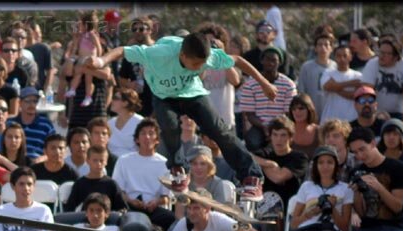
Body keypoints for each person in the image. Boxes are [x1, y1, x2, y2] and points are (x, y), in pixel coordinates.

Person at [85, 32, 278, 199]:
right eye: (194, 64)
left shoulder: (208, 57)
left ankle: (251, 176)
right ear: (182, 55)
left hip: (192, 94)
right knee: (169, 125)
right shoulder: (158, 54)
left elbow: (237, 60)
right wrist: (101, 61)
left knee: (220, 130)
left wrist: (264, 83)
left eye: (202, 64)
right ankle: (178, 169)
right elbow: (122, 50)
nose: (199, 67)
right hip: (164, 97)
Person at [112, 118, 175, 231]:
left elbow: (166, 197)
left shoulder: (164, 163)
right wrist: (131, 201)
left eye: (151, 133)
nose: (147, 137)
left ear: (157, 140)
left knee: (173, 220)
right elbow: (118, 191)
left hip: (154, 209)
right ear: (137, 139)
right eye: (143, 133)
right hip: (130, 208)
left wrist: (155, 203)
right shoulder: (124, 161)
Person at [239, 46, 297, 152]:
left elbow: (288, 113)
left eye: (274, 60)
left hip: (281, 124)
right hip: (259, 124)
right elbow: (249, 114)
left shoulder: (288, 85)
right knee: (253, 142)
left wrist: (275, 129)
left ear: (279, 63)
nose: (270, 63)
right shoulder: (250, 84)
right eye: (267, 59)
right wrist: (264, 127)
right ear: (262, 61)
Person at [252, 116, 309, 208]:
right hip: (264, 207)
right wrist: (270, 164)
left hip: (290, 207)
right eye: (275, 135)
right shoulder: (263, 154)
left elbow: (278, 178)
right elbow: (248, 156)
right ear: (270, 136)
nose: (279, 139)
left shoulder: (300, 158)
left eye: (283, 135)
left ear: (290, 137)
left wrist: (262, 164)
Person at [361, 37, 403, 120]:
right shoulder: (372, 64)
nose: (381, 56)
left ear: (396, 56)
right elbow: (366, 91)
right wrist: (375, 113)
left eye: (386, 54)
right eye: (380, 52)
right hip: (377, 112)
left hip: (400, 112)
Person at [64, 145, 127, 213]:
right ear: (87, 161)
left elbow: (122, 208)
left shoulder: (111, 184)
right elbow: (70, 209)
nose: (98, 164)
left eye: (101, 160)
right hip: (84, 221)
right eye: (95, 160)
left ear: (106, 162)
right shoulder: (80, 184)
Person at [65, 10, 103, 107]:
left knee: (88, 78)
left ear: (86, 24)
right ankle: (73, 89)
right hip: (82, 59)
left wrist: (99, 59)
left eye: (80, 24)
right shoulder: (82, 35)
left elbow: (98, 47)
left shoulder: (92, 34)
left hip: (90, 60)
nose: (78, 26)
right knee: (78, 74)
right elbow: (76, 46)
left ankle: (88, 96)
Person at [118, 17, 155, 117]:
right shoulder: (131, 52)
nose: (137, 32)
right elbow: (122, 78)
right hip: (136, 104)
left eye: (141, 29)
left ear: (150, 30)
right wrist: (130, 84)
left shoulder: (157, 50)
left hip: (155, 102)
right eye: (134, 29)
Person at [7, 86, 56, 160]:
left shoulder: (46, 125)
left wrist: (41, 159)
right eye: (28, 101)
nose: (32, 105)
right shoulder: (10, 123)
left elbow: (53, 149)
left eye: (35, 101)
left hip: (37, 164)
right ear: (20, 103)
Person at [297, 33, 337, 119]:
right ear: (315, 48)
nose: (323, 48)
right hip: (311, 112)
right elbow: (301, 91)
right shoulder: (306, 67)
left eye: (326, 45)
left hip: (331, 113)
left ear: (331, 48)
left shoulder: (336, 67)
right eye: (320, 45)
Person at [320, 45, 363, 124]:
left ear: (350, 57)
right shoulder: (328, 72)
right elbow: (327, 86)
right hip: (330, 119)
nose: (342, 59)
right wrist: (351, 83)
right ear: (335, 57)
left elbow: (355, 95)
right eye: (339, 56)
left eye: (345, 56)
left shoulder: (358, 76)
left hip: (351, 119)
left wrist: (335, 88)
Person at [107, 88, 144, 157]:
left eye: (115, 98)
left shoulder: (141, 122)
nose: (112, 101)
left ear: (125, 103)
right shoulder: (109, 123)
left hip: (132, 163)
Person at [288, 94, 319, 159]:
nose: (297, 111)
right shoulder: (287, 131)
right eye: (294, 109)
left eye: (301, 108)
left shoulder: (319, 131)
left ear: (309, 109)